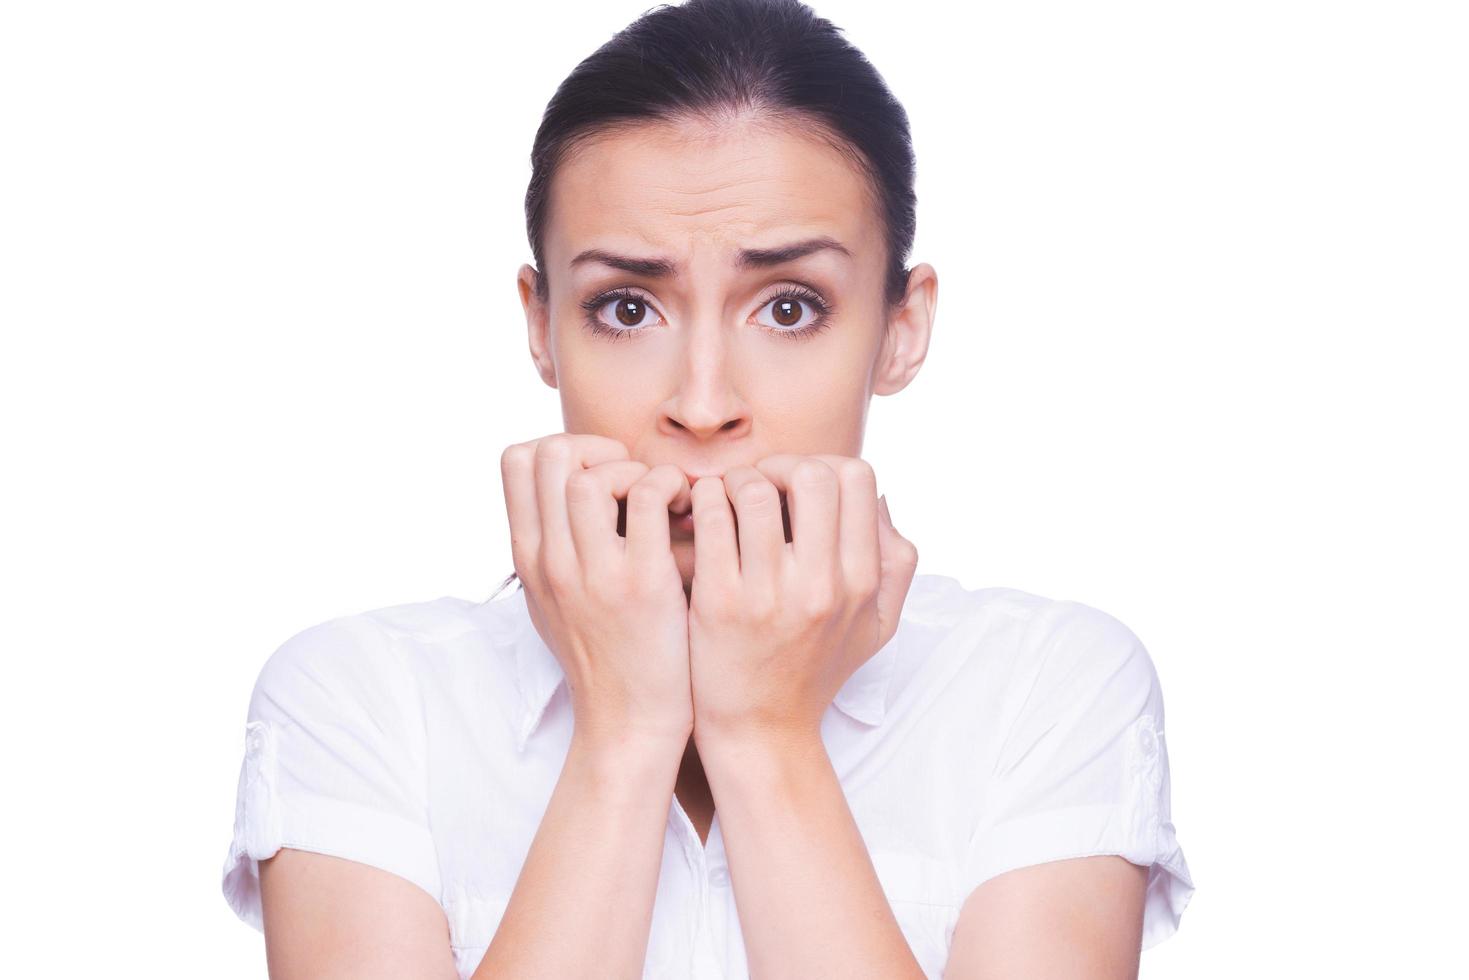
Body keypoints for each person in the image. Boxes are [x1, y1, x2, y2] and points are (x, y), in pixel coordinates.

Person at [220, 0, 1195, 976]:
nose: (702, 402)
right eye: (626, 306)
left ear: (901, 327)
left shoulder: (1047, 688)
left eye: (786, 306)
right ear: (540, 325)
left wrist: (763, 736)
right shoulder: (360, 699)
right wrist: (626, 732)